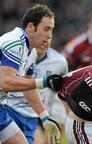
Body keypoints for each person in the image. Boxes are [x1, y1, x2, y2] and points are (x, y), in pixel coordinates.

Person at [0, 4, 62, 144]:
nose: (49, 36)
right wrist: (44, 82)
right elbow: (6, 81)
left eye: (52, 30)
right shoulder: (15, 42)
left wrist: (45, 117)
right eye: (46, 29)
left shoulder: (31, 52)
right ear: (30, 27)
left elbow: (28, 85)